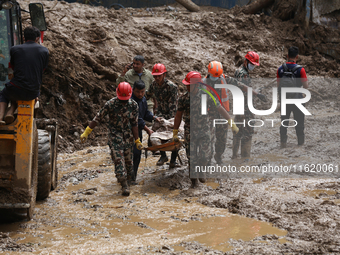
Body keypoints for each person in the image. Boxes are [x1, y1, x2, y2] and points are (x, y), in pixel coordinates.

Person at [173, 71, 239, 188]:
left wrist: (231, 122)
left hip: (204, 130)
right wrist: (175, 132)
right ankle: (194, 183)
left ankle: (202, 168)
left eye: (189, 84)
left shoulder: (207, 95)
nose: (187, 86)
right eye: (186, 84)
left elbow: (219, 108)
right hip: (190, 131)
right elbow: (178, 116)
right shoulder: (184, 98)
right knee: (191, 158)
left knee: (205, 155)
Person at [80, 82, 143, 196]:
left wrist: (137, 140)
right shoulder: (110, 104)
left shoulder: (133, 105)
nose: (123, 101)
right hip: (115, 137)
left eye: (125, 99)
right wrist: (87, 132)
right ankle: (124, 184)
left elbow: (134, 124)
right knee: (119, 160)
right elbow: (98, 118)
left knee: (129, 163)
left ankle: (129, 181)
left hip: (128, 137)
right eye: (121, 99)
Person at [0, 26, 48, 125]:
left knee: (5, 94)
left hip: (16, 87)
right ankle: (10, 112)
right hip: (32, 92)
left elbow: (13, 67)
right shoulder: (44, 51)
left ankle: (1, 117)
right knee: (18, 91)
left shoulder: (14, 49)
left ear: (23, 38)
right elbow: (42, 69)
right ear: (37, 38)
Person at [233, 51, 267, 159]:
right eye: (252, 64)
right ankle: (245, 159)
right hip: (245, 108)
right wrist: (257, 94)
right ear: (246, 61)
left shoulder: (238, 71)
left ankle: (234, 156)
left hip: (238, 106)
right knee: (247, 133)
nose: (253, 66)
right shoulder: (244, 74)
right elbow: (244, 89)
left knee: (238, 131)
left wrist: (255, 91)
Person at [145, 63, 179, 168]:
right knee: (155, 133)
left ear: (164, 74)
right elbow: (146, 95)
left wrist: (169, 121)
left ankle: (173, 160)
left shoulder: (172, 87)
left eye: (159, 76)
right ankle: (163, 156)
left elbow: (174, 105)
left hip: (172, 113)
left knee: (176, 136)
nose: (157, 78)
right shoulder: (153, 85)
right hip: (160, 112)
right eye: (155, 76)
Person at [277, 46, 308, 148]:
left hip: (285, 100)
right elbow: (305, 87)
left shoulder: (280, 69)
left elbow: (278, 86)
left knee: (284, 123)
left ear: (287, 56)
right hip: (298, 100)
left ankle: (283, 144)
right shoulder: (301, 70)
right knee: (299, 123)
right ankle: (300, 144)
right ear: (297, 57)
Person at [131, 80, 161, 184]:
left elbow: (145, 113)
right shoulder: (130, 101)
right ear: (133, 90)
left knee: (137, 154)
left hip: (138, 131)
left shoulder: (143, 99)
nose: (140, 94)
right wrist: (148, 130)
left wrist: (154, 117)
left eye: (142, 92)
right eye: (138, 92)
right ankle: (126, 177)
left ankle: (132, 178)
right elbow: (137, 119)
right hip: (128, 132)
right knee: (131, 154)